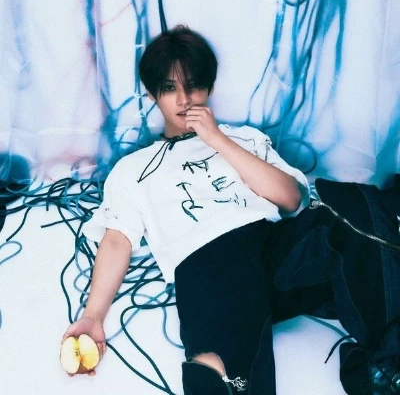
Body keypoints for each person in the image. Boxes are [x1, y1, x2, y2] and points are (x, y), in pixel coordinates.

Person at [61, 25, 400, 395]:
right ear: (153, 94)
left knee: (358, 204)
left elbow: (292, 199)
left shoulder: (246, 138)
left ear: (208, 87)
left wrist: (217, 140)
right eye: (170, 88)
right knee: (223, 378)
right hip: (207, 263)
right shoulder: (133, 169)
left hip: (274, 250)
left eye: (193, 85)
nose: (184, 99)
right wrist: (92, 317)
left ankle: (384, 368)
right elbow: (117, 241)